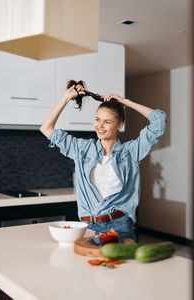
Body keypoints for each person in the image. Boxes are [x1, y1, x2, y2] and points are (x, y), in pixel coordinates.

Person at [40, 80, 167, 242]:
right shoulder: (82, 149)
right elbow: (46, 129)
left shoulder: (131, 152)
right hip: (88, 227)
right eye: (97, 119)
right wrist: (66, 98)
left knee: (123, 265)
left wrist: (124, 102)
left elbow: (159, 120)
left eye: (107, 121)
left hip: (120, 225)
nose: (100, 126)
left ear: (119, 125)